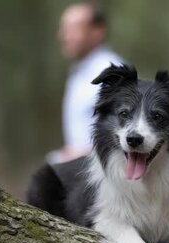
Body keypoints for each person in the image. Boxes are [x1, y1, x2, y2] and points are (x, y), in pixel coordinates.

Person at [50, 2, 124, 163]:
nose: (64, 36)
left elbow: (128, 132)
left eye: (73, 29)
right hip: (80, 174)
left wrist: (83, 154)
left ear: (98, 31)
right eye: (63, 28)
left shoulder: (112, 72)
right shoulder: (78, 71)